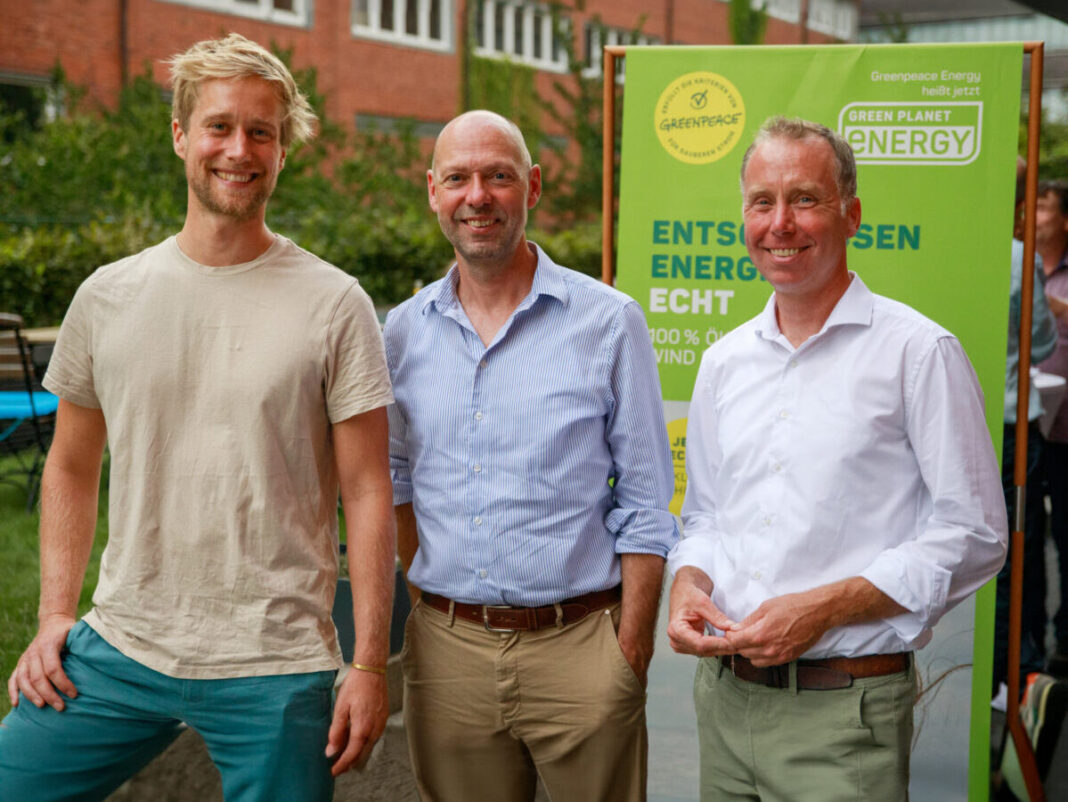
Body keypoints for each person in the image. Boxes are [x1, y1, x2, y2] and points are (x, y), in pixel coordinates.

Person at [0, 33, 395, 801]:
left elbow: (370, 489)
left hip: (276, 662)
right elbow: (73, 465)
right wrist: (55, 616)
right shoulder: (108, 296)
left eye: (262, 132)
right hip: (121, 645)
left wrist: (369, 661)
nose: (238, 149)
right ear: (180, 134)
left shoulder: (335, 304)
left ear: (283, 150)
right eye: (219, 126)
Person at [666, 116, 1007, 801]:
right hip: (725, 703)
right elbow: (704, 513)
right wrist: (687, 582)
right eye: (763, 202)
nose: (781, 222)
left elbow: (975, 535)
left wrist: (823, 608)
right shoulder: (724, 361)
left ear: (850, 214)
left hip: (844, 713)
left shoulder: (918, 352)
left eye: (805, 199)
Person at [385, 109, 676, 802]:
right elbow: (395, 481)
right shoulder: (402, 331)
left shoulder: (608, 321)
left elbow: (644, 499)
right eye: (458, 178)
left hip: (581, 649)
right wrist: (427, 597)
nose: (477, 196)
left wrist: (628, 654)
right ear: (432, 191)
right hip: (449, 653)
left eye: (498, 176)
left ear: (533, 187)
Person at [992, 160, 1057, 696]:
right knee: (1019, 548)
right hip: (1012, 431)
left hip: (949, 423)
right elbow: (1040, 345)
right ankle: (1020, 676)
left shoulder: (941, 248)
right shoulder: (1020, 259)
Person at [1037, 179, 1068, 676]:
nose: (1033, 214)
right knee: (1025, 538)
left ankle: (1063, 640)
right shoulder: (1016, 263)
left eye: (1044, 207)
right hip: (1026, 419)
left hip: (1064, 426)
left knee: (1064, 531)